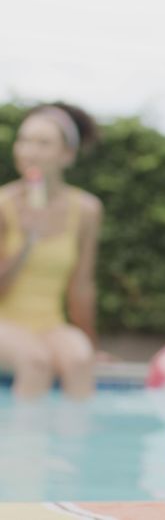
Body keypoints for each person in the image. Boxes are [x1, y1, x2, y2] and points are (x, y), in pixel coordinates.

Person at [0, 102, 104, 400]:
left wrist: (92, 345)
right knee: (36, 363)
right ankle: (23, 447)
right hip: (3, 321)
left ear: (66, 155)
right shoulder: (3, 205)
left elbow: (81, 287)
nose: (29, 151)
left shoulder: (86, 210)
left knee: (79, 361)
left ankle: (74, 446)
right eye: (24, 140)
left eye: (43, 143)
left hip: (50, 323)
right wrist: (28, 240)